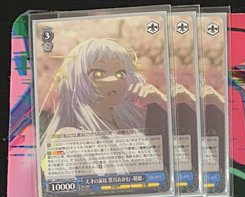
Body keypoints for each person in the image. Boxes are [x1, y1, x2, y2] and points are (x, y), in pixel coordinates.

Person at [39, 38, 169, 178]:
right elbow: (56, 185)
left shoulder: (133, 131)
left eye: (121, 74)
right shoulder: (67, 138)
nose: (114, 80)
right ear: (76, 79)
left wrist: (162, 102)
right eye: (98, 74)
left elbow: (162, 177)